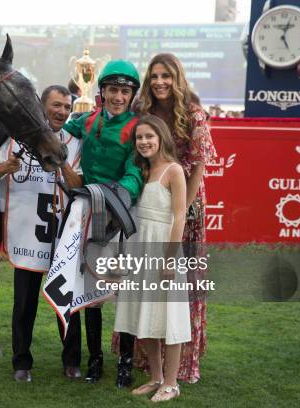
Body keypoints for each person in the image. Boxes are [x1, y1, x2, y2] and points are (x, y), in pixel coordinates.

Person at [0, 85, 84, 382]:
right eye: (56, 105)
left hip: (63, 236)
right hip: (28, 236)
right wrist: (6, 166)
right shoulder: (16, 142)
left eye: (66, 106)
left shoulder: (75, 143)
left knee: (67, 302)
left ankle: (72, 360)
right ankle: (21, 363)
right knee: (23, 303)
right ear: (41, 106)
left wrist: (60, 157)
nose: (62, 111)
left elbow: (77, 186)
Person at [136, 53, 216, 383]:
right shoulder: (144, 112)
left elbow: (198, 165)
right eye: (154, 75)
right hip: (152, 203)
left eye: (166, 75)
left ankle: (180, 367)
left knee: (180, 288)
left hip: (186, 207)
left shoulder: (193, 113)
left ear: (177, 78)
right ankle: (149, 364)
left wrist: (186, 204)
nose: (160, 82)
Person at [63, 59, 143, 387]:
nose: (118, 97)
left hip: (121, 214)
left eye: (125, 91)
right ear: (103, 91)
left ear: (132, 94)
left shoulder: (138, 127)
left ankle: (125, 362)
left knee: (123, 292)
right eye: (113, 90)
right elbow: (53, 135)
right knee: (92, 291)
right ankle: (95, 359)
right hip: (88, 213)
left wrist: (119, 197)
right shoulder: (86, 120)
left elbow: (135, 171)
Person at [114, 114, 190, 402]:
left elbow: (180, 215)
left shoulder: (173, 170)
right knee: (144, 315)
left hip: (163, 250)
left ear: (161, 138)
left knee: (169, 317)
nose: (144, 142)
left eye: (149, 136)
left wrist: (170, 259)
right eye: (139, 138)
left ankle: (171, 383)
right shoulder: (140, 171)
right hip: (139, 249)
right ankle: (155, 376)